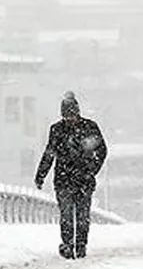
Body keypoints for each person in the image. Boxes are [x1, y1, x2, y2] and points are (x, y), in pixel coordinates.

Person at [34, 91, 108, 259]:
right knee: (67, 214)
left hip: (82, 179)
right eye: (66, 116)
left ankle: (80, 245)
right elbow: (49, 153)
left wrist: (91, 170)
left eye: (71, 115)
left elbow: (102, 150)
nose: (69, 119)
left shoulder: (90, 127)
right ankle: (68, 244)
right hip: (64, 180)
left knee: (82, 214)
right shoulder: (57, 130)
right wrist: (41, 175)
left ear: (77, 112)